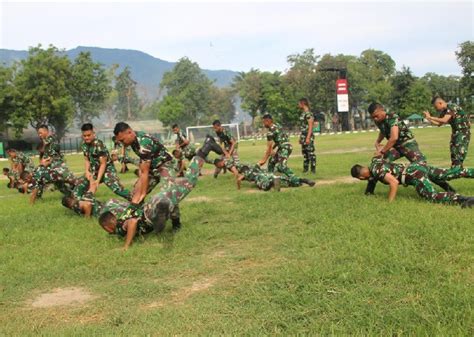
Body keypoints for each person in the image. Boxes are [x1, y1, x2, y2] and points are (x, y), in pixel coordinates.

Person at [98, 135, 224, 250]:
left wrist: (126, 245)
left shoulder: (119, 227)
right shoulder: (122, 215)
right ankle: (166, 213)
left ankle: (162, 212)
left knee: (189, 181)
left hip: (151, 207)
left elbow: (132, 222)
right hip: (151, 202)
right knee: (183, 185)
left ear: (108, 228)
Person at [351, 157, 474, 207]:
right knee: (449, 173)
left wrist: (389, 203)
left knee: (430, 196)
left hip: (414, 174)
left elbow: (393, 183)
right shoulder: (375, 162)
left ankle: (463, 199)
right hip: (417, 166)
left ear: (361, 178)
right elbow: (372, 181)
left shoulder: (376, 171)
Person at [113, 122, 173, 205]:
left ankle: (175, 218)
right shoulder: (133, 140)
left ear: (129, 132)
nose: (122, 143)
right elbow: (143, 167)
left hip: (166, 165)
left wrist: (143, 193)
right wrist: (139, 189)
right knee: (135, 194)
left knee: (169, 195)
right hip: (153, 167)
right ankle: (139, 215)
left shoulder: (143, 143)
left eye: (123, 140)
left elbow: (145, 172)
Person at [74, 123, 131, 200]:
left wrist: (97, 180)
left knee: (118, 190)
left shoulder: (99, 144)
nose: (87, 138)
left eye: (89, 135)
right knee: (78, 187)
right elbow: (86, 160)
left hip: (107, 170)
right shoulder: (84, 145)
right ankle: (82, 207)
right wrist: (87, 171)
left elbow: (103, 164)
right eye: (84, 136)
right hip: (94, 170)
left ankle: (136, 200)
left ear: (93, 134)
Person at [258, 114, 315, 187]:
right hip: (285, 146)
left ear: (268, 121)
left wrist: (263, 160)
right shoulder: (277, 126)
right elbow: (279, 139)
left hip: (284, 148)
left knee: (281, 166)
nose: (263, 124)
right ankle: (270, 179)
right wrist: (273, 149)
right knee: (272, 161)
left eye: (264, 122)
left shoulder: (270, 132)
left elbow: (269, 148)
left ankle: (298, 180)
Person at [423, 96, 471, 169]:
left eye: (436, 107)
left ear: (440, 103)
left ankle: (457, 169)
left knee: (459, 152)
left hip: (463, 133)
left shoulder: (451, 107)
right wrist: (428, 119)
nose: (436, 109)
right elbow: (439, 124)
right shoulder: (445, 111)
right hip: (456, 133)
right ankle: (456, 169)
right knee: (454, 152)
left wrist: (431, 117)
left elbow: (444, 120)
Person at [214, 157, 282, 191]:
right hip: (248, 168)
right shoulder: (226, 161)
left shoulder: (226, 163)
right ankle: (274, 177)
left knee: (258, 180)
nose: (219, 167)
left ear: (219, 163)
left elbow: (236, 172)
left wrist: (238, 184)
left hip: (246, 170)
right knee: (260, 174)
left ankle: (269, 182)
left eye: (218, 166)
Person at [298, 98, 316, 173]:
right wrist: (301, 137)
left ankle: (313, 170)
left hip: (308, 135)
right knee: (305, 153)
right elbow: (303, 126)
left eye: (299, 103)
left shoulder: (308, 114)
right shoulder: (303, 113)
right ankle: (305, 169)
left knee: (310, 153)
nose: (298, 105)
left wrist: (308, 137)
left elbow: (311, 125)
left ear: (303, 104)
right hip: (303, 135)